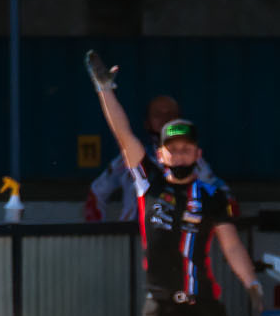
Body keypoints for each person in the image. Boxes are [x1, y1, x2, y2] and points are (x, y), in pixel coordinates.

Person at [87, 54, 261, 316]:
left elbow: (232, 245)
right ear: (160, 154)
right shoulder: (148, 184)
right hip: (161, 308)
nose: (180, 156)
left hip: (203, 306)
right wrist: (105, 90)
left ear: (198, 153)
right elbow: (124, 136)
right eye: (173, 150)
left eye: (186, 150)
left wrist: (252, 283)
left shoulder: (211, 194)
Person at [84, 92, 221, 222]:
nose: (165, 119)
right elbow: (97, 192)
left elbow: (219, 197)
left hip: (178, 233)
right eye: (157, 115)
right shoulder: (128, 158)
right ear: (147, 122)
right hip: (132, 233)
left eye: (170, 114)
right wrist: (101, 233)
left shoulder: (196, 162)